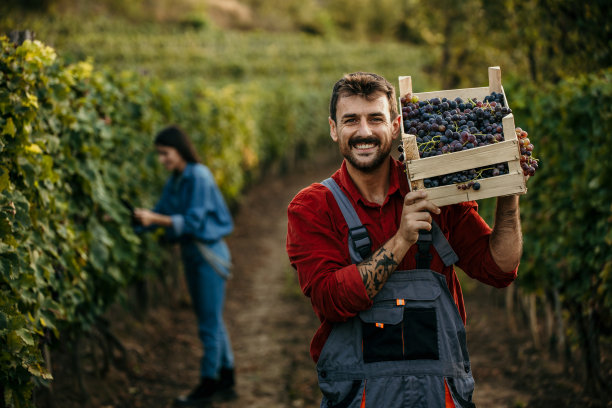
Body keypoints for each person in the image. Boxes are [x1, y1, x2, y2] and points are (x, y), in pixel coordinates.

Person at [286, 72, 522, 407]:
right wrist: (401, 240)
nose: (364, 132)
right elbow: (330, 300)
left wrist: (508, 191)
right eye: (351, 120)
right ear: (333, 128)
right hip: (359, 399)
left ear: (396, 125)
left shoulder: (436, 190)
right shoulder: (312, 207)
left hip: (439, 398)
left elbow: (499, 270)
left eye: (375, 119)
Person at [134, 125, 236, 406]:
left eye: (166, 154)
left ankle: (207, 387)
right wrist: (136, 221)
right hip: (192, 254)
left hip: (208, 254)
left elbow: (192, 222)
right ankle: (227, 380)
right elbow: (161, 211)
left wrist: (152, 220)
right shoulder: (177, 179)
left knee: (208, 323)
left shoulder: (198, 176)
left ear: (180, 150)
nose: (162, 160)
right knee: (212, 318)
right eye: (159, 155)